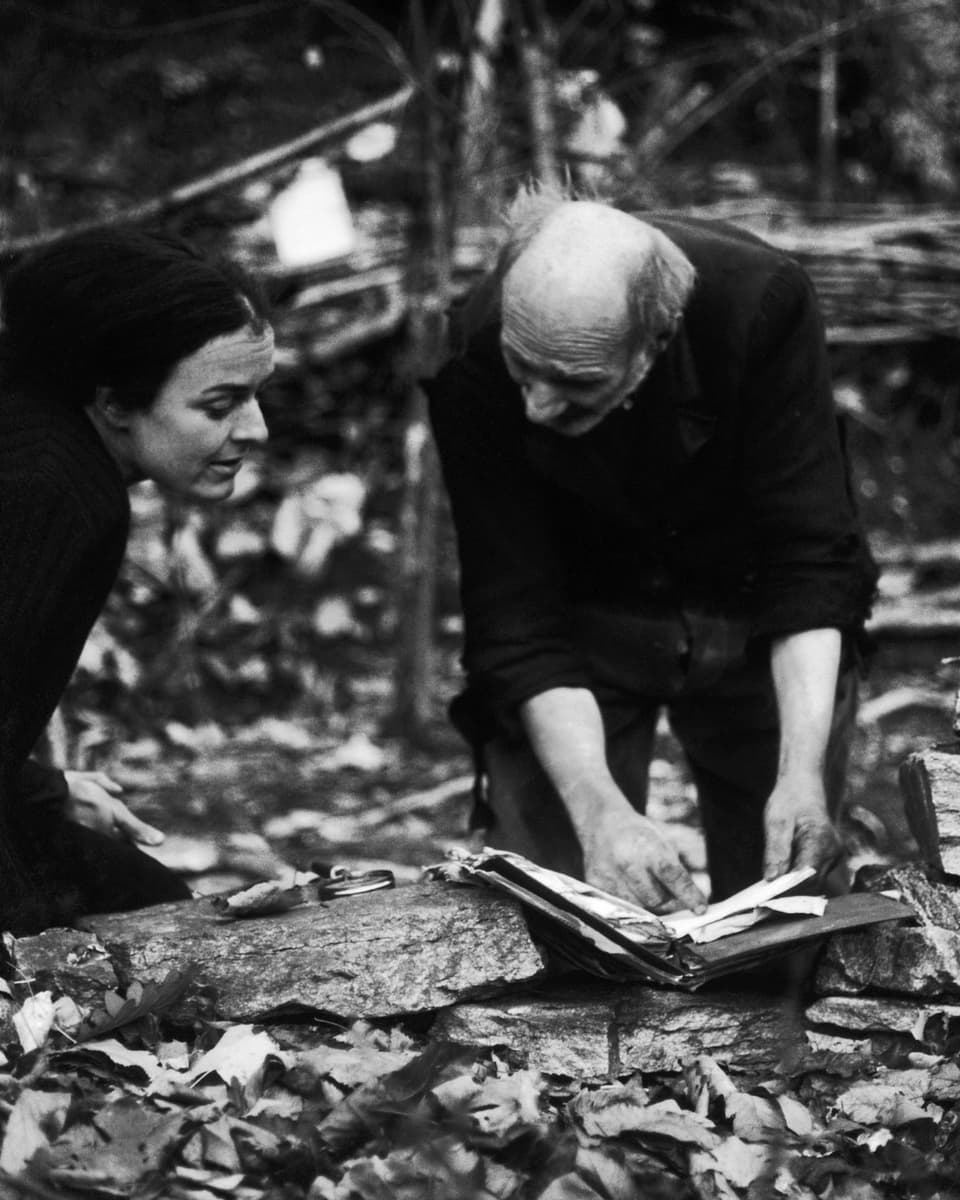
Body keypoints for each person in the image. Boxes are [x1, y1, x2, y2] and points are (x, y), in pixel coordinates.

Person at [426, 185, 877, 913]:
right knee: (558, 911)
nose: (537, 406)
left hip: (756, 614)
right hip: (581, 628)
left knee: (788, 904)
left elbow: (811, 556)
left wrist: (801, 776)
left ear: (656, 340)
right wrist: (599, 811)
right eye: (524, 370)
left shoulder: (759, 303)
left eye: (576, 381)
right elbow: (515, 614)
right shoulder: (479, 345)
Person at [0, 226, 274, 934]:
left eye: (254, 397)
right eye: (220, 406)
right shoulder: (55, 494)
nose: (257, 429)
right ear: (117, 402)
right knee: (162, 943)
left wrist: (44, 789)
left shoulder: (34, 434)